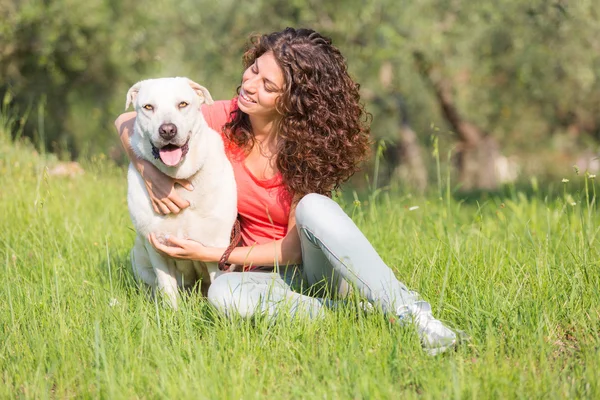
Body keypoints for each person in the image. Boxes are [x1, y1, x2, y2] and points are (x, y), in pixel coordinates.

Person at [115, 27, 458, 355]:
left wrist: (211, 253)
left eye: (267, 84)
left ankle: (409, 311)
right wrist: (150, 173)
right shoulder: (224, 117)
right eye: (253, 69)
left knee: (314, 206)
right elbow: (126, 122)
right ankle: (357, 314)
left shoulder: (308, 147)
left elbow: (293, 251)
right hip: (261, 277)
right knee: (222, 295)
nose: (249, 84)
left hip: (310, 267)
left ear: (292, 99)